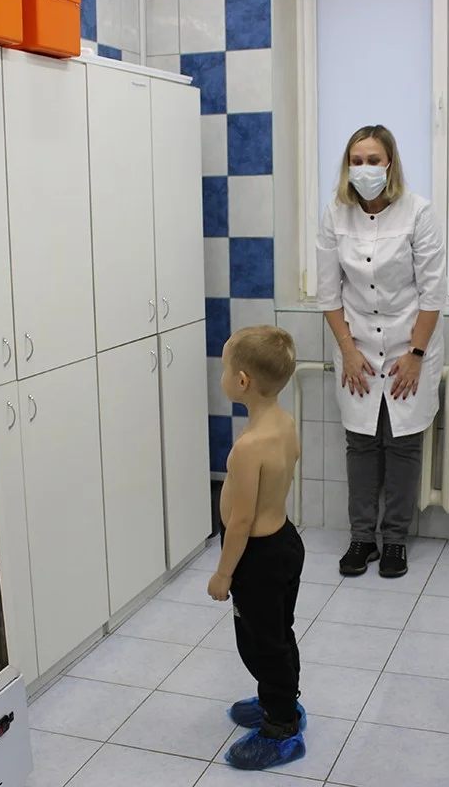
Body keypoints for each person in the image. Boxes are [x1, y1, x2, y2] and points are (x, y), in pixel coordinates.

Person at [316, 124, 447, 579]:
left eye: (373, 160)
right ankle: (361, 539)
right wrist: (348, 351)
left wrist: (416, 354)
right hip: (357, 346)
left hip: (410, 344)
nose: (364, 168)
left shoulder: (418, 212)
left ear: (390, 164)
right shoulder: (336, 214)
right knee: (361, 442)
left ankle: (394, 541)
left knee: (403, 443)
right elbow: (328, 293)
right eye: (357, 161)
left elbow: (433, 293)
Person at [207, 325, 307, 770]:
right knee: (278, 633)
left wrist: (224, 573)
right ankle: (280, 700)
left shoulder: (249, 447)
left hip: (257, 557)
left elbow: (242, 522)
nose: (222, 376)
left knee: (260, 643)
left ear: (242, 381)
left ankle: (281, 728)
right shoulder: (284, 423)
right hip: (284, 543)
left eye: (225, 368)